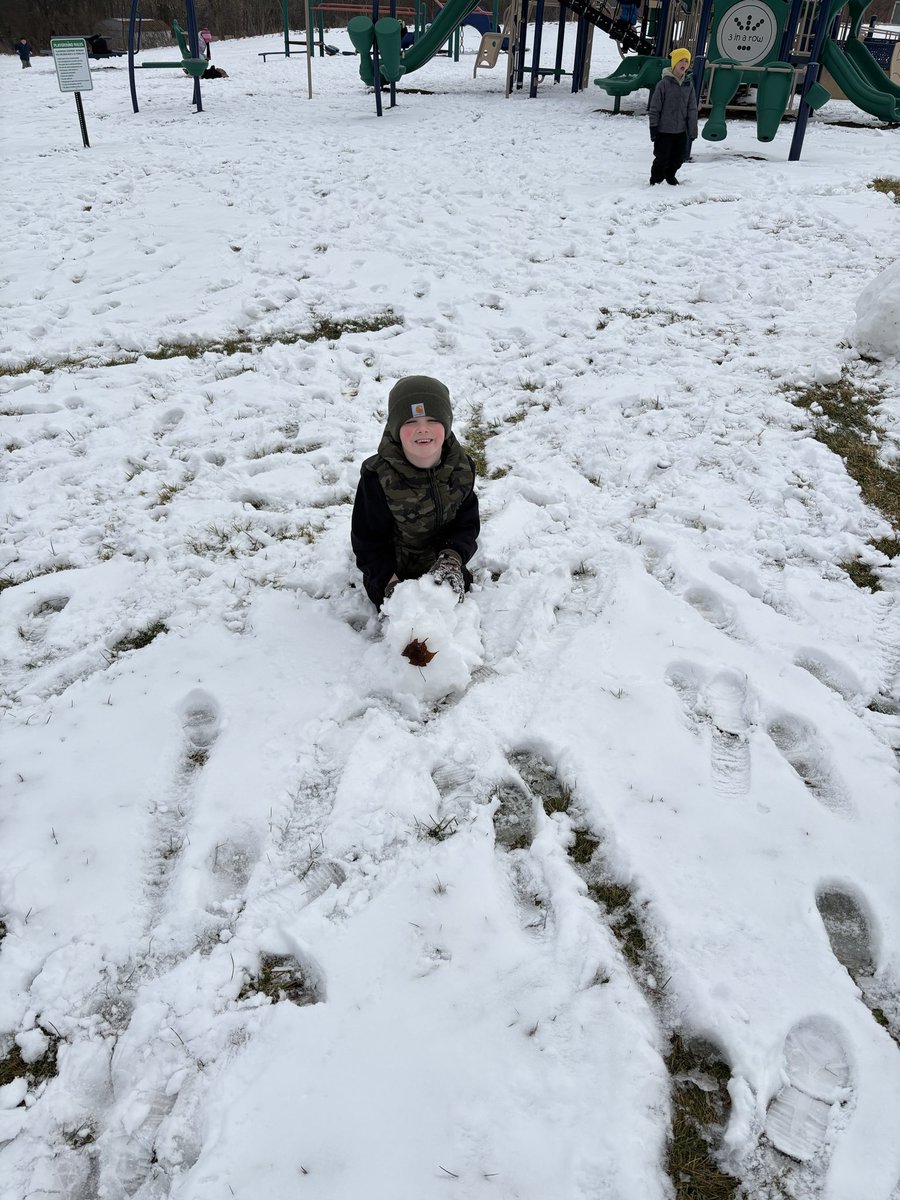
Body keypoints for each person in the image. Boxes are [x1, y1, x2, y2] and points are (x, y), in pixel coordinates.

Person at [351, 376, 480, 610]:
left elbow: (467, 525)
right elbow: (368, 543)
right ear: (396, 427)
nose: (423, 429)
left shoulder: (461, 468)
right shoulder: (377, 477)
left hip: (444, 567)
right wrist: (390, 585)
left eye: (433, 419)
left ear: (447, 424)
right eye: (410, 421)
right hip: (392, 576)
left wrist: (452, 558)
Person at [648, 47, 698, 186]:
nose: (684, 64)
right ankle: (656, 180)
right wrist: (653, 127)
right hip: (664, 130)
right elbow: (654, 108)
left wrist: (692, 130)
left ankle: (670, 175)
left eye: (686, 61)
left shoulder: (688, 85)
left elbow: (692, 109)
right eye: (681, 61)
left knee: (678, 157)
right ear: (674, 63)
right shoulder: (663, 84)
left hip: (680, 130)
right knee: (662, 157)